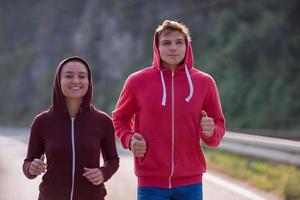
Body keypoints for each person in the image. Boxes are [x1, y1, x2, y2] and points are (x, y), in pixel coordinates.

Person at [112, 20, 225, 200]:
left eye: (179, 42)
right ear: (156, 47)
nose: (173, 48)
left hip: (191, 182)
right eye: (166, 43)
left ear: (187, 46)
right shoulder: (137, 81)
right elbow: (120, 119)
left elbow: (218, 125)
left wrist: (211, 132)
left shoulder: (204, 82)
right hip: (150, 182)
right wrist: (130, 139)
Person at [23, 56, 119, 200]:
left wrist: (103, 172)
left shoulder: (102, 121)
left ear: (89, 81)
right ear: (58, 81)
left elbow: (113, 159)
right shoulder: (42, 121)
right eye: (68, 76)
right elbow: (28, 162)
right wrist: (31, 168)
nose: (75, 81)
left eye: (82, 76)